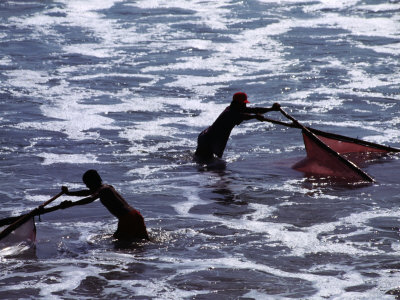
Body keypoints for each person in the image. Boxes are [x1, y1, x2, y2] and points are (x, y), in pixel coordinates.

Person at [60, 170, 149, 241]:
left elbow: (90, 198)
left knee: (120, 244)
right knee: (143, 241)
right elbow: (86, 193)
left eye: (87, 184)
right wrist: (68, 193)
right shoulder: (107, 187)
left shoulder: (102, 190)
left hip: (127, 218)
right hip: (136, 215)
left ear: (92, 182)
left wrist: (72, 204)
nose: (87, 186)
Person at [194, 92, 280, 160]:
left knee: (205, 163)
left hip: (206, 137)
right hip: (209, 141)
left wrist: (271, 109)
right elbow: (243, 116)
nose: (245, 105)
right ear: (237, 103)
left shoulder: (235, 108)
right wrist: (255, 116)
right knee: (207, 165)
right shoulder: (230, 112)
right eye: (243, 103)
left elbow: (255, 109)